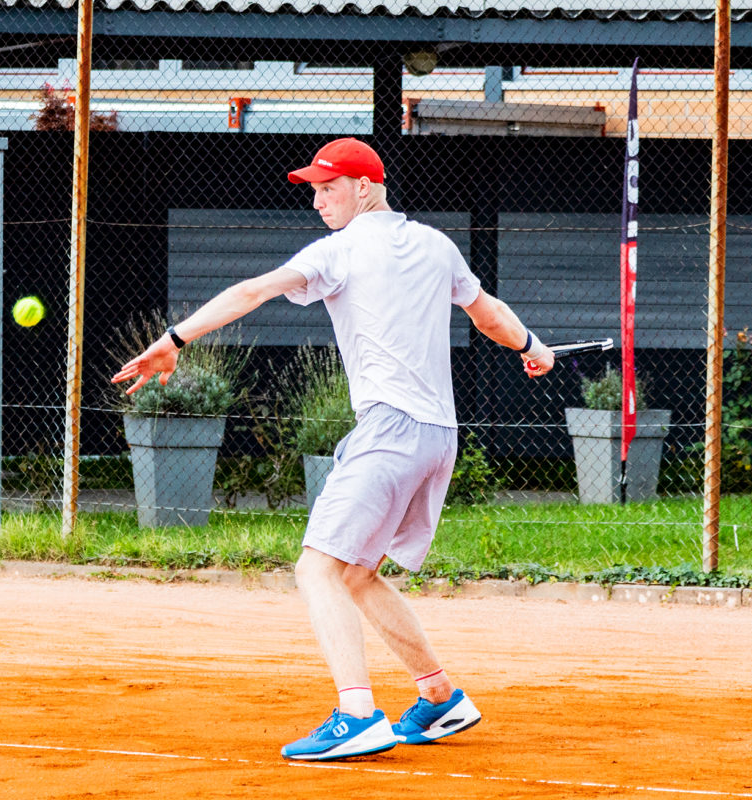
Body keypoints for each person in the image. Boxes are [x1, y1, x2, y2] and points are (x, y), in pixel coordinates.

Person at [112, 138, 555, 761]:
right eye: (316, 189)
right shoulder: (437, 245)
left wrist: (174, 340)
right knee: (354, 573)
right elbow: (488, 316)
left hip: (389, 432)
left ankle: (357, 714)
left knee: (315, 568)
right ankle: (440, 697)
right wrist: (533, 347)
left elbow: (251, 292)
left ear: (368, 186)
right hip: (437, 437)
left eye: (331, 187)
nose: (320, 201)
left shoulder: (340, 251)